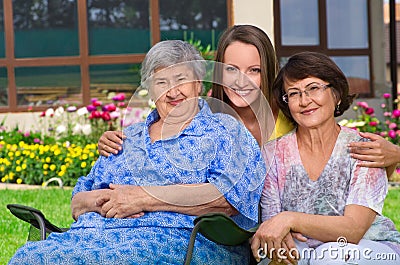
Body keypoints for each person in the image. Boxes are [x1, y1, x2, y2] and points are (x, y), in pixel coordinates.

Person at [9, 40, 266, 264]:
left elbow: (228, 199)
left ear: (198, 84)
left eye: (181, 80)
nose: (173, 91)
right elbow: (77, 203)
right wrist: (99, 200)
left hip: (174, 242)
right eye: (161, 82)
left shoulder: (225, 132)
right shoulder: (126, 137)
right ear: (151, 91)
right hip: (93, 236)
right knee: (27, 257)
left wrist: (142, 198)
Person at [97, 24, 400, 175]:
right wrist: (117, 141)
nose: (241, 81)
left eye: (254, 70)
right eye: (231, 70)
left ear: (268, 71)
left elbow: (344, 154)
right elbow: (160, 134)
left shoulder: (293, 112)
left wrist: (393, 156)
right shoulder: (203, 115)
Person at [251, 51, 400, 265]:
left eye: (314, 88)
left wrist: (290, 219)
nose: (305, 101)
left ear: (336, 94)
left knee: (331, 256)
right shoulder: (273, 154)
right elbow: (274, 231)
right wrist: (281, 236)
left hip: (370, 248)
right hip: (305, 250)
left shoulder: (365, 148)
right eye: (294, 93)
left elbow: (354, 229)